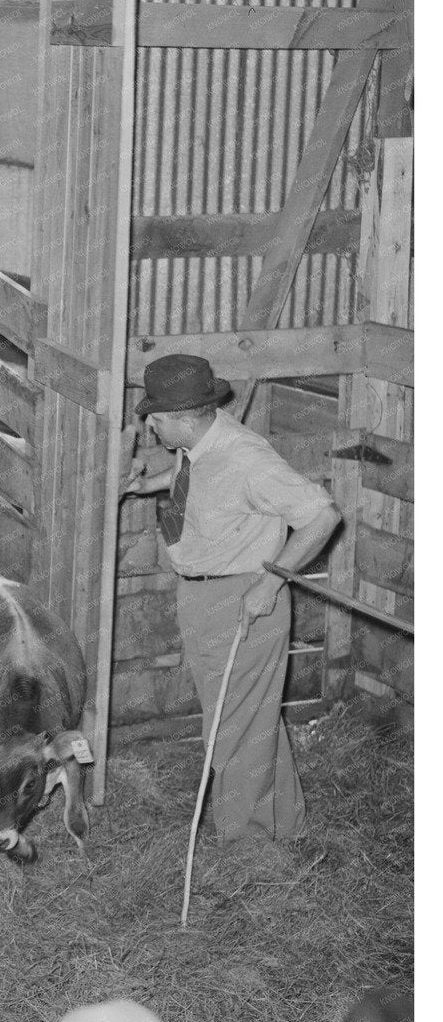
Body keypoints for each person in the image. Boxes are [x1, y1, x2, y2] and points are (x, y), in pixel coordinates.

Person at [122, 354, 341, 843]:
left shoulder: (247, 458)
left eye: (153, 417)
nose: (148, 425)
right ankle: (283, 827)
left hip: (243, 598)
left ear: (181, 416)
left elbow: (321, 515)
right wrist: (145, 485)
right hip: (203, 596)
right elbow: (198, 482)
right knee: (250, 719)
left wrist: (271, 582)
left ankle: (248, 851)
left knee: (233, 727)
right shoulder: (203, 440)